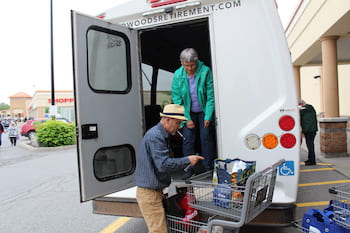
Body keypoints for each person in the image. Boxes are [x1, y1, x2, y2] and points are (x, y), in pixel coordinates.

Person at [135, 104, 204, 233]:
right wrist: (187, 160)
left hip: (154, 191)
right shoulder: (156, 136)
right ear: (168, 120)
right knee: (158, 231)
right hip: (150, 194)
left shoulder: (160, 135)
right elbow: (163, 165)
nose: (179, 127)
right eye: (178, 123)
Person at [171, 48, 216, 172]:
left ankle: (208, 167)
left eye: (192, 65)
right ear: (181, 63)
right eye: (186, 66)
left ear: (196, 62)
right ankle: (188, 169)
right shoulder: (177, 74)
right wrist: (187, 118)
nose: (190, 68)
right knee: (188, 140)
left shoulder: (205, 71)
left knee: (206, 137)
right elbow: (177, 99)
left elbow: (211, 96)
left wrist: (208, 115)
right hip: (188, 112)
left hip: (203, 111)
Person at [299, 99, 318, 165]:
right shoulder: (310, 108)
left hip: (309, 131)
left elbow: (305, 122)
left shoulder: (306, 109)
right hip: (312, 130)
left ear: (301, 104)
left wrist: (303, 131)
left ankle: (312, 161)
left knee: (310, 145)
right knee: (310, 145)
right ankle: (310, 159)